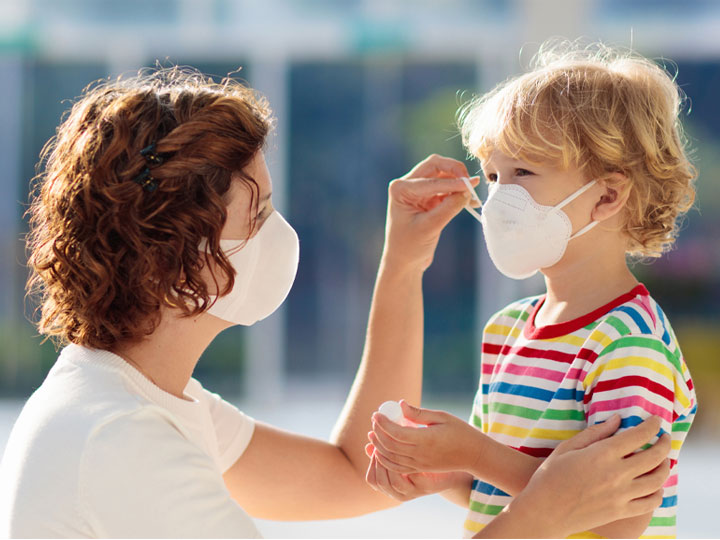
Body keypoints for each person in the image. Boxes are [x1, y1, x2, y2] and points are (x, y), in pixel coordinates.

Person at [0, 67, 669, 539]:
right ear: (183, 256)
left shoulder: (143, 403)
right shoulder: (121, 440)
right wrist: (540, 515)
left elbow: (355, 475)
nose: (281, 233)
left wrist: (402, 266)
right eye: (258, 213)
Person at [366, 43, 697, 538]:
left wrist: (471, 453)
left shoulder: (629, 345)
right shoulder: (507, 329)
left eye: (523, 173)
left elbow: (620, 515)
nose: (498, 197)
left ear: (607, 195)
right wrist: (442, 474)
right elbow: (502, 489)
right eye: (493, 175)